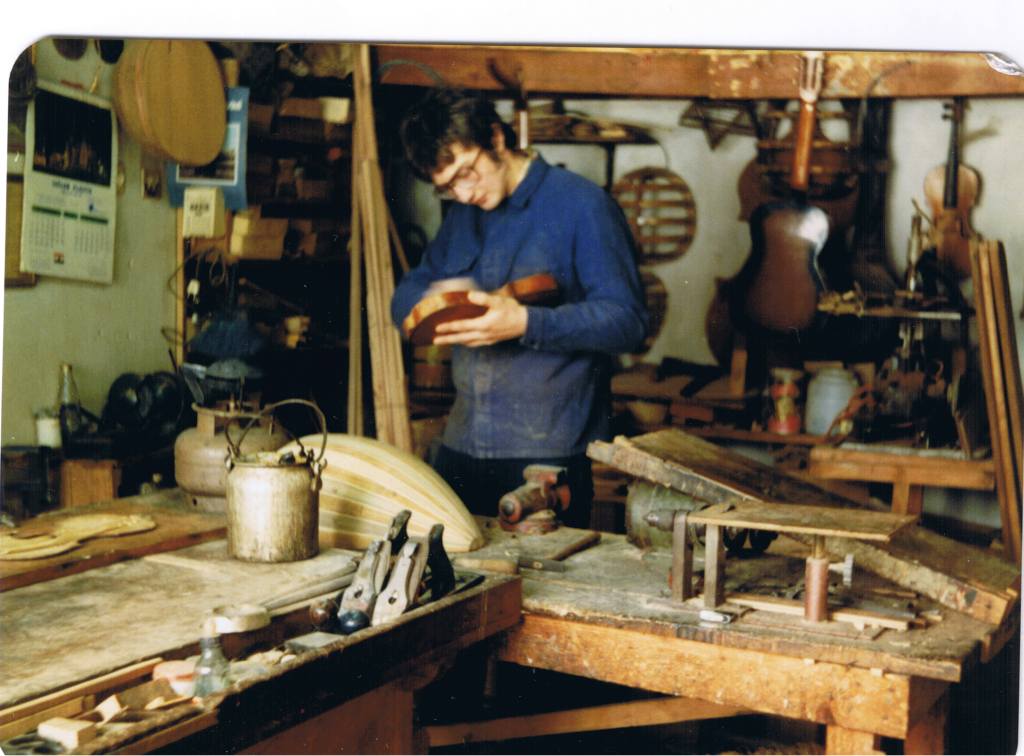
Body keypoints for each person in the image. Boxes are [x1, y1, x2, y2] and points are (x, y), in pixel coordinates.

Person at [391, 88, 647, 528]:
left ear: (496, 138)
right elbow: (406, 294)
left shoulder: (583, 205)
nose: (463, 192)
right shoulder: (462, 215)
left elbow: (629, 321)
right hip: (462, 443)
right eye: (447, 186)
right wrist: (433, 302)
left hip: (547, 454)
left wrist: (526, 322)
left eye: (466, 172)